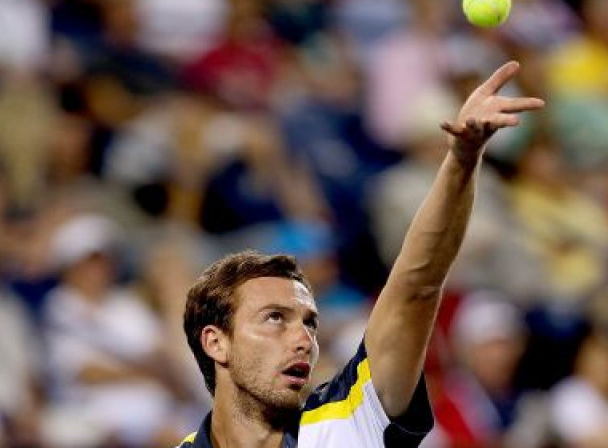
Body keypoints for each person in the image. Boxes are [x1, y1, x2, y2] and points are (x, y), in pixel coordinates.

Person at [176, 61, 544, 448]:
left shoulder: (348, 419)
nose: (303, 339)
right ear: (216, 342)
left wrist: (461, 162)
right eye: (274, 318)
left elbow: (416, 284)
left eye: (310, 322)